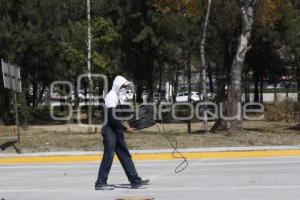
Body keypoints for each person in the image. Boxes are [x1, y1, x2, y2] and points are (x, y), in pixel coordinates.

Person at [95, 75, 149, 190]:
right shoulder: (111, 96)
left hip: (116, 130)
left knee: (125, 155)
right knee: (108, 156)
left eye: (125, 86)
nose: (124, 88)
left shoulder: (118, 97)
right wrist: (126, 129)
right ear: (117, 85)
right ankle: (100, 183)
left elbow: (121, 115)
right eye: (123, 86)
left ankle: (135, 181)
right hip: (109, 131)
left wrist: (135, 121)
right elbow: (112, 118)